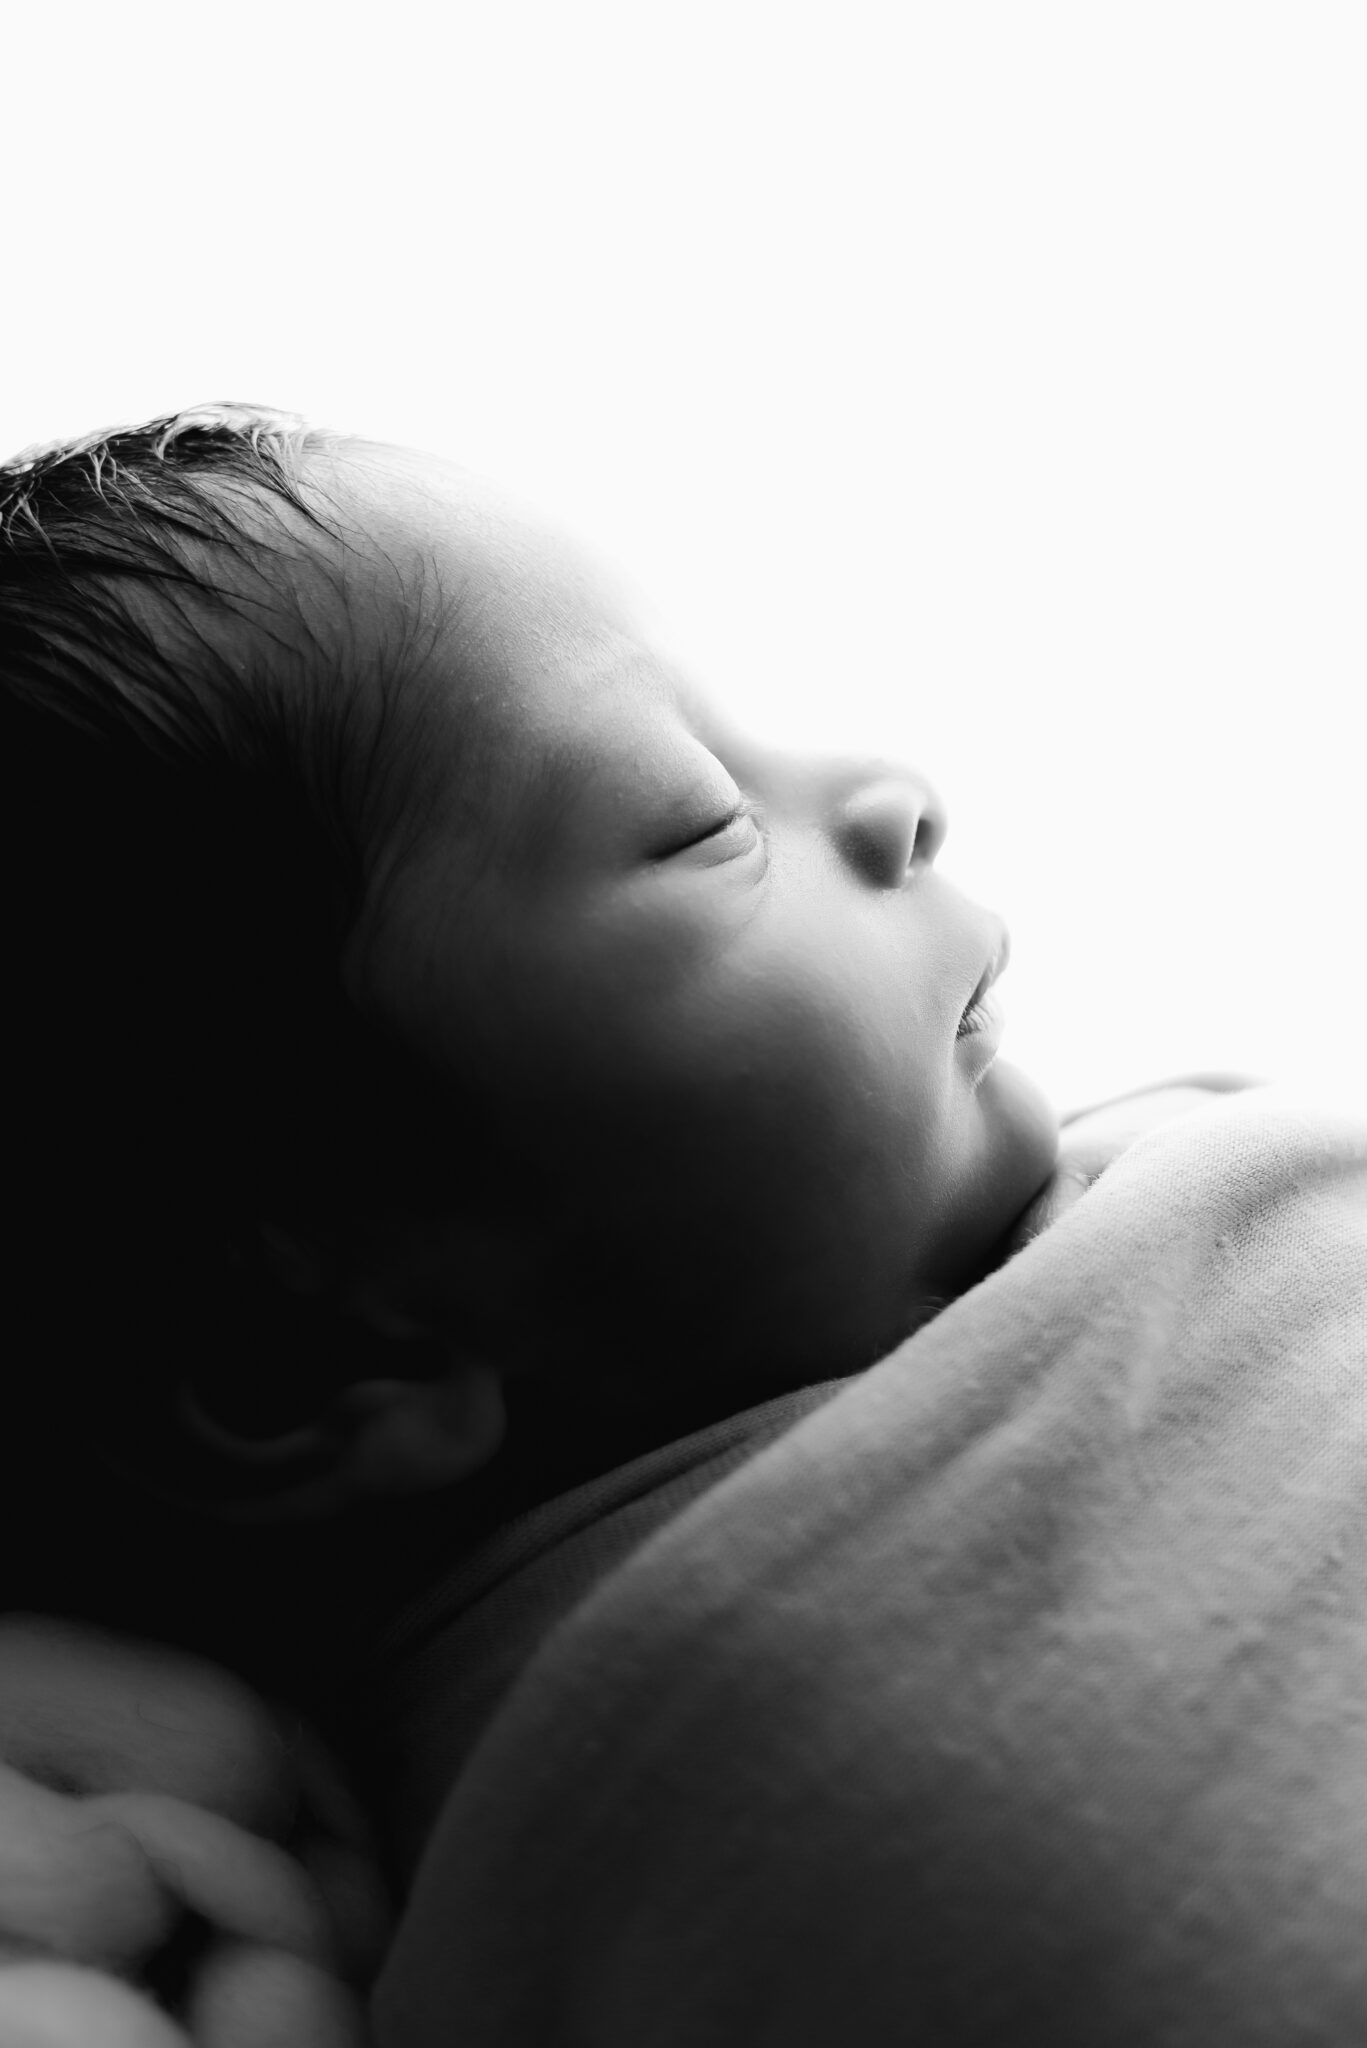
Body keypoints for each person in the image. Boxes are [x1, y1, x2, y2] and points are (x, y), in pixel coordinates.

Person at [7, 404, 1345, 2045]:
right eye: (703, 817)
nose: (892, 794)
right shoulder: (553, 1811)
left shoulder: (1154, 1176)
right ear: (316, 1359)